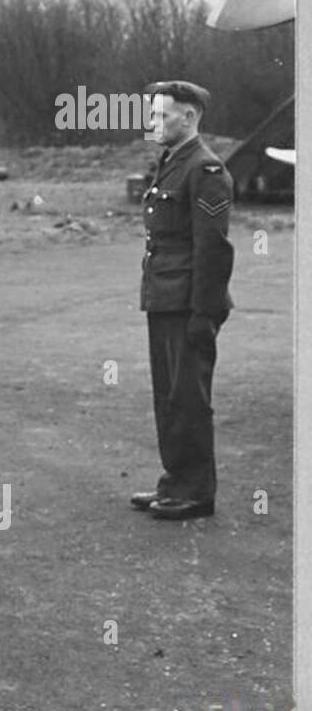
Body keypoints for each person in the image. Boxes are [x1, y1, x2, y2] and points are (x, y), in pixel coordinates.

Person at [130, 80, 234, 521]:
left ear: (188, 118)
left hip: (188, 303)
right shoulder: (172, 162)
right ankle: (174, 482)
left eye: (162, 116)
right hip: (163, 297)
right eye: (153, 115)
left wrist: (204, 313)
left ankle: (196, 492)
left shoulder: (205, 171)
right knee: (169, 396)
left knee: (189, 397)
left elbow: (213, 248)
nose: (154, 123)